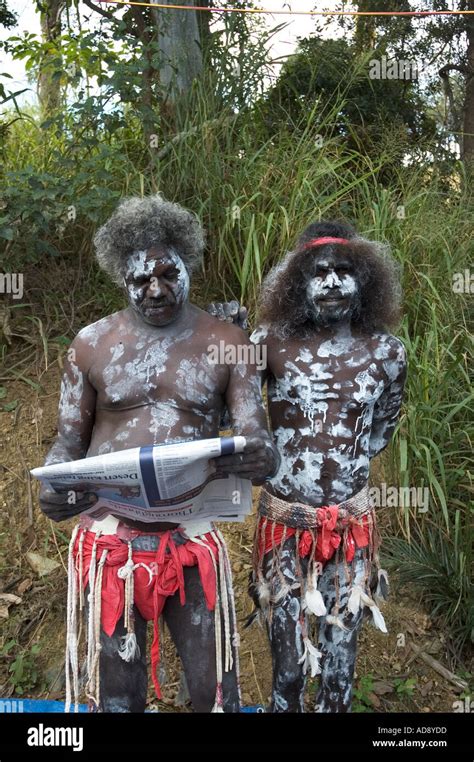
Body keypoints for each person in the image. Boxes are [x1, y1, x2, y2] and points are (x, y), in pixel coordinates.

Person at [39, 195, 278, 713]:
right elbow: (67, 441)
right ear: (120, 279)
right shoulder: (91, 343)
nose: (155, 289)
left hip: (191, 537)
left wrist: (263, 459)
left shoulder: (228, 342)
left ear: (188, 267)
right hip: (112, 542)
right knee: (117, 698)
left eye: (169, 274)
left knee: (213, 694)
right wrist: (54, 486)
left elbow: (257, 435)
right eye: (140, 280)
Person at [208, 220, 406, 712]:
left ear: (366, 280)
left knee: (339, 665)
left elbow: (382, 432)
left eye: (345, 271)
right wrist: (227, 339)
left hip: (350, 528)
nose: (333, 283)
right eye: (320, 272)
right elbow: (223, 411)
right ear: (299, 281)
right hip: (283, 528)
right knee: (289, 668)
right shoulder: (267, 342)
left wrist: (340, 473)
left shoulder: (388, 354)